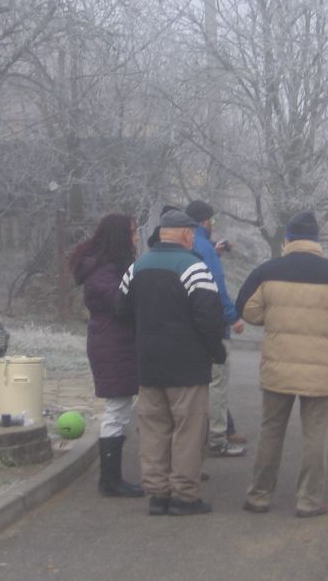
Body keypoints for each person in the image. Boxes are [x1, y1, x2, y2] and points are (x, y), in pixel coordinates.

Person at [236, 211, 328, 518]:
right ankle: (309, 500)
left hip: (278, 366)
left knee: (271, 431)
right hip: (320, 368)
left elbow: (247, 309)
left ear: (288, 239)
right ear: (317, 239)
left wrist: (275, 318)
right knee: (315, 435)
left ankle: (259, 495)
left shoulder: (267, 271)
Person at [115, 209, 226, 515]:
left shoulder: (137, 267)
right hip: (187, 366)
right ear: (187, 235)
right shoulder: (194, 268)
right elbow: (209, 318)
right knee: (188, 431)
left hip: (149, 363)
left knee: (154, 430)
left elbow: (120, 310)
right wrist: (215, 351)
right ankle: (184, 496)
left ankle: (157, 494)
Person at [70, 213, 144, 498]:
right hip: (113, 345)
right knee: (117, 410)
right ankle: (110, 480)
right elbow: (122, 304)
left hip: (116, 343)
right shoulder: (104, 272)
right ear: (120, 236)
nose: (136, 237)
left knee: (121, 409)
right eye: (133, 232)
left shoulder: (107, 267)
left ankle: (112, 478)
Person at [184, 199, 246, 458]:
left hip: (187, 327)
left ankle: (195, 437)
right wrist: (233, 317)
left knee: (194, 385)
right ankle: (218, 437)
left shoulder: (188, 244)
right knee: (217, 382)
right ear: (205, 221)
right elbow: (216, 286)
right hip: (212, 326)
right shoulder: (205, 248)